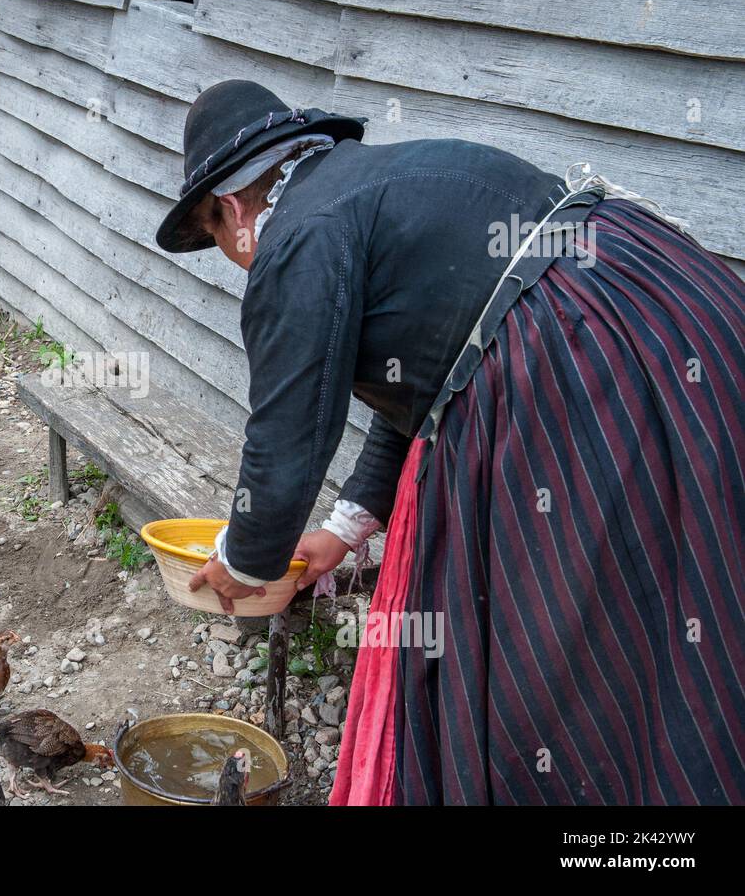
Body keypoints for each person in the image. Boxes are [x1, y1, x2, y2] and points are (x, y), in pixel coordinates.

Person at [160, 80, 744, 805]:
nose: (232, 254)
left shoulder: (299, 237)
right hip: (667, 304)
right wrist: (343, 529)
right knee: (699, 574)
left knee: (568, 640)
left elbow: (286, 439)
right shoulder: (366, 192)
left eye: (216, 238)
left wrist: (241, 558)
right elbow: (423, 373)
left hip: (582, 360)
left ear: (233, 207)